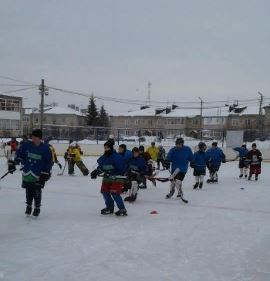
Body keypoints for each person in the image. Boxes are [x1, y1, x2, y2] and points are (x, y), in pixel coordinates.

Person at [8, 129, 53, 216]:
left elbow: (49, 162)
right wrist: (13, 163)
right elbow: (19, 154)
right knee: (28, 190)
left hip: (39, 174)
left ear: (39, 138)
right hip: (27, 172)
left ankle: (37, 208)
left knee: (37, 190)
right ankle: (28, 206)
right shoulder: (26, 145)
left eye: (35, 137)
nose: (33, 138)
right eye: (32, 136)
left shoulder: (46, 148)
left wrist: (46, 172)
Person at [91, 141, 127, 216]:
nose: (106, 149)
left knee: (114, 192)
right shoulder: (103, 158)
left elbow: (123, 168)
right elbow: (101, 167)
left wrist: (124, 174)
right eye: (105, 148)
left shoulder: (117, 157)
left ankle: (122, 209)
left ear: (111, 148)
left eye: (107, 148)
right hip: (107, 177)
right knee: (104, 191)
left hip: (117, 177)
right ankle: (110, 207)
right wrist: (96, 172)